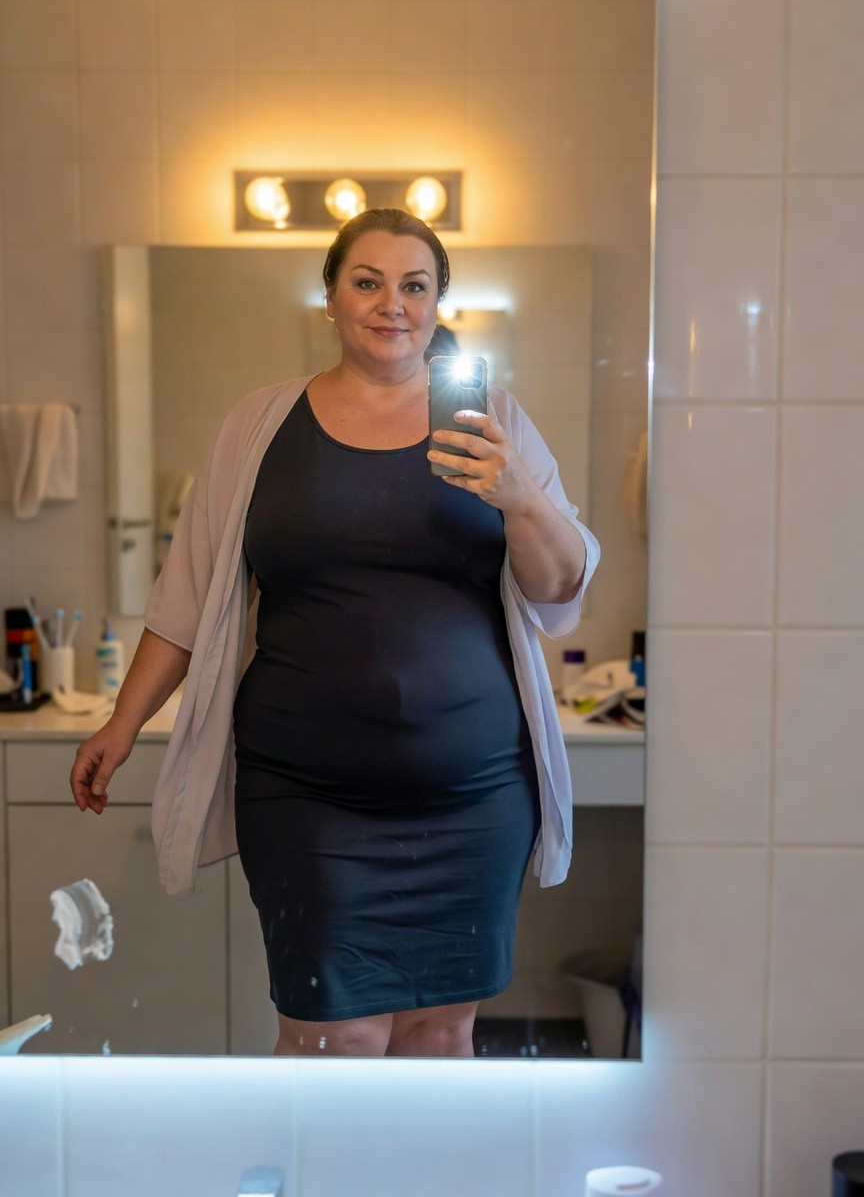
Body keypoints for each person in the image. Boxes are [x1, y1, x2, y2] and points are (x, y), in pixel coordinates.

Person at [70, 208, 599, 1059]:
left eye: (414, 285)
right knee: (332, 1039)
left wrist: (522, 497)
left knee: (441, 1038)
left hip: (472, 797)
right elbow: (187, 597)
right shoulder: (259, 427)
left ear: (437, 302)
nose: (393, 304)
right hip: (307, 798)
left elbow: (562, 584)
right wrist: (120, 724)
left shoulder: (493, 423)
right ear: (329, 297)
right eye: (367, 281)